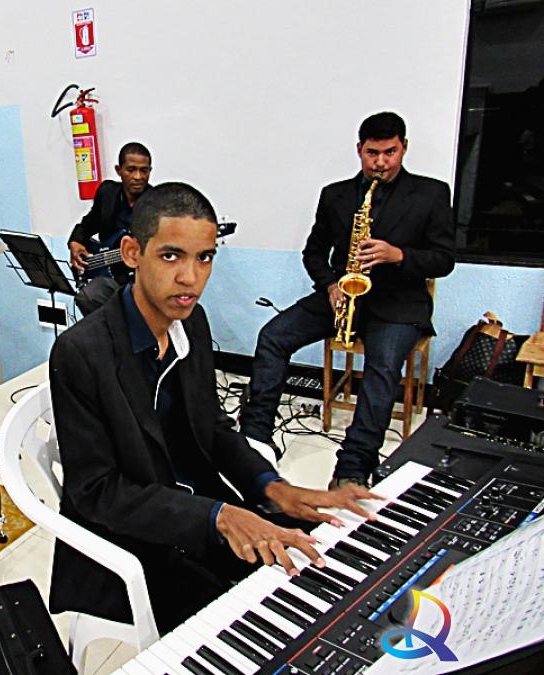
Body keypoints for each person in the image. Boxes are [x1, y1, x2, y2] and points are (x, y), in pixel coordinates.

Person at [49, 182, 379, 633]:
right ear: (131, 253)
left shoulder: (191, 323)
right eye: (171, 256)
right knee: (261, 629)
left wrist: (270, 487)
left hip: (198, 513)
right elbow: (97, 492)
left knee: (325, 567)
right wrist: (218, 517)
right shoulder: (80, 352)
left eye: (204, 258)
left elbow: (214, 429)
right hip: (129, 543)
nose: (191, 277)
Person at [238, 112, 456, 488]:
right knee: (273, 336)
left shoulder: (431, 193)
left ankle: (354, 466)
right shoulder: (335, 194)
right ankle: (255, 440)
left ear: (404, 147)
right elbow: (313, 252)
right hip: (343, 294)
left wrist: (398, 255)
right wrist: (330, 285)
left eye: (390, 152)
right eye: (372, 153)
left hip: (399, 302)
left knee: (382, 367)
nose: (381, 163)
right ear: (359, 149)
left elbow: (444, 259)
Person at [68, 141, 152, 315]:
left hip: (141, 279)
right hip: (107, 275)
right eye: (131, 170)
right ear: (119, 170)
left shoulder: (157, 203)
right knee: (87, 297)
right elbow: (88, 223)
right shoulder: (107, 193)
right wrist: (76, 242)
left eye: (144, 170)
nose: (138, 176)